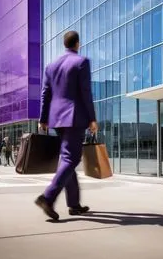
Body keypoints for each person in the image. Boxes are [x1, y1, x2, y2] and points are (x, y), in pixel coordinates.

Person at [35, 31, 98, 221]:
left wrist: (43, 118)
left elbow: (46, 94)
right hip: (74, 117)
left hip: (56, 119)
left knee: (66, 159)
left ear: (65, 44)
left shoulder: (51, 66)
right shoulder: (81, 62)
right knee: (71, 159)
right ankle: (48, 197)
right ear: (77, 43)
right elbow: (85, 92)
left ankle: (74, 204)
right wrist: (92, 118)